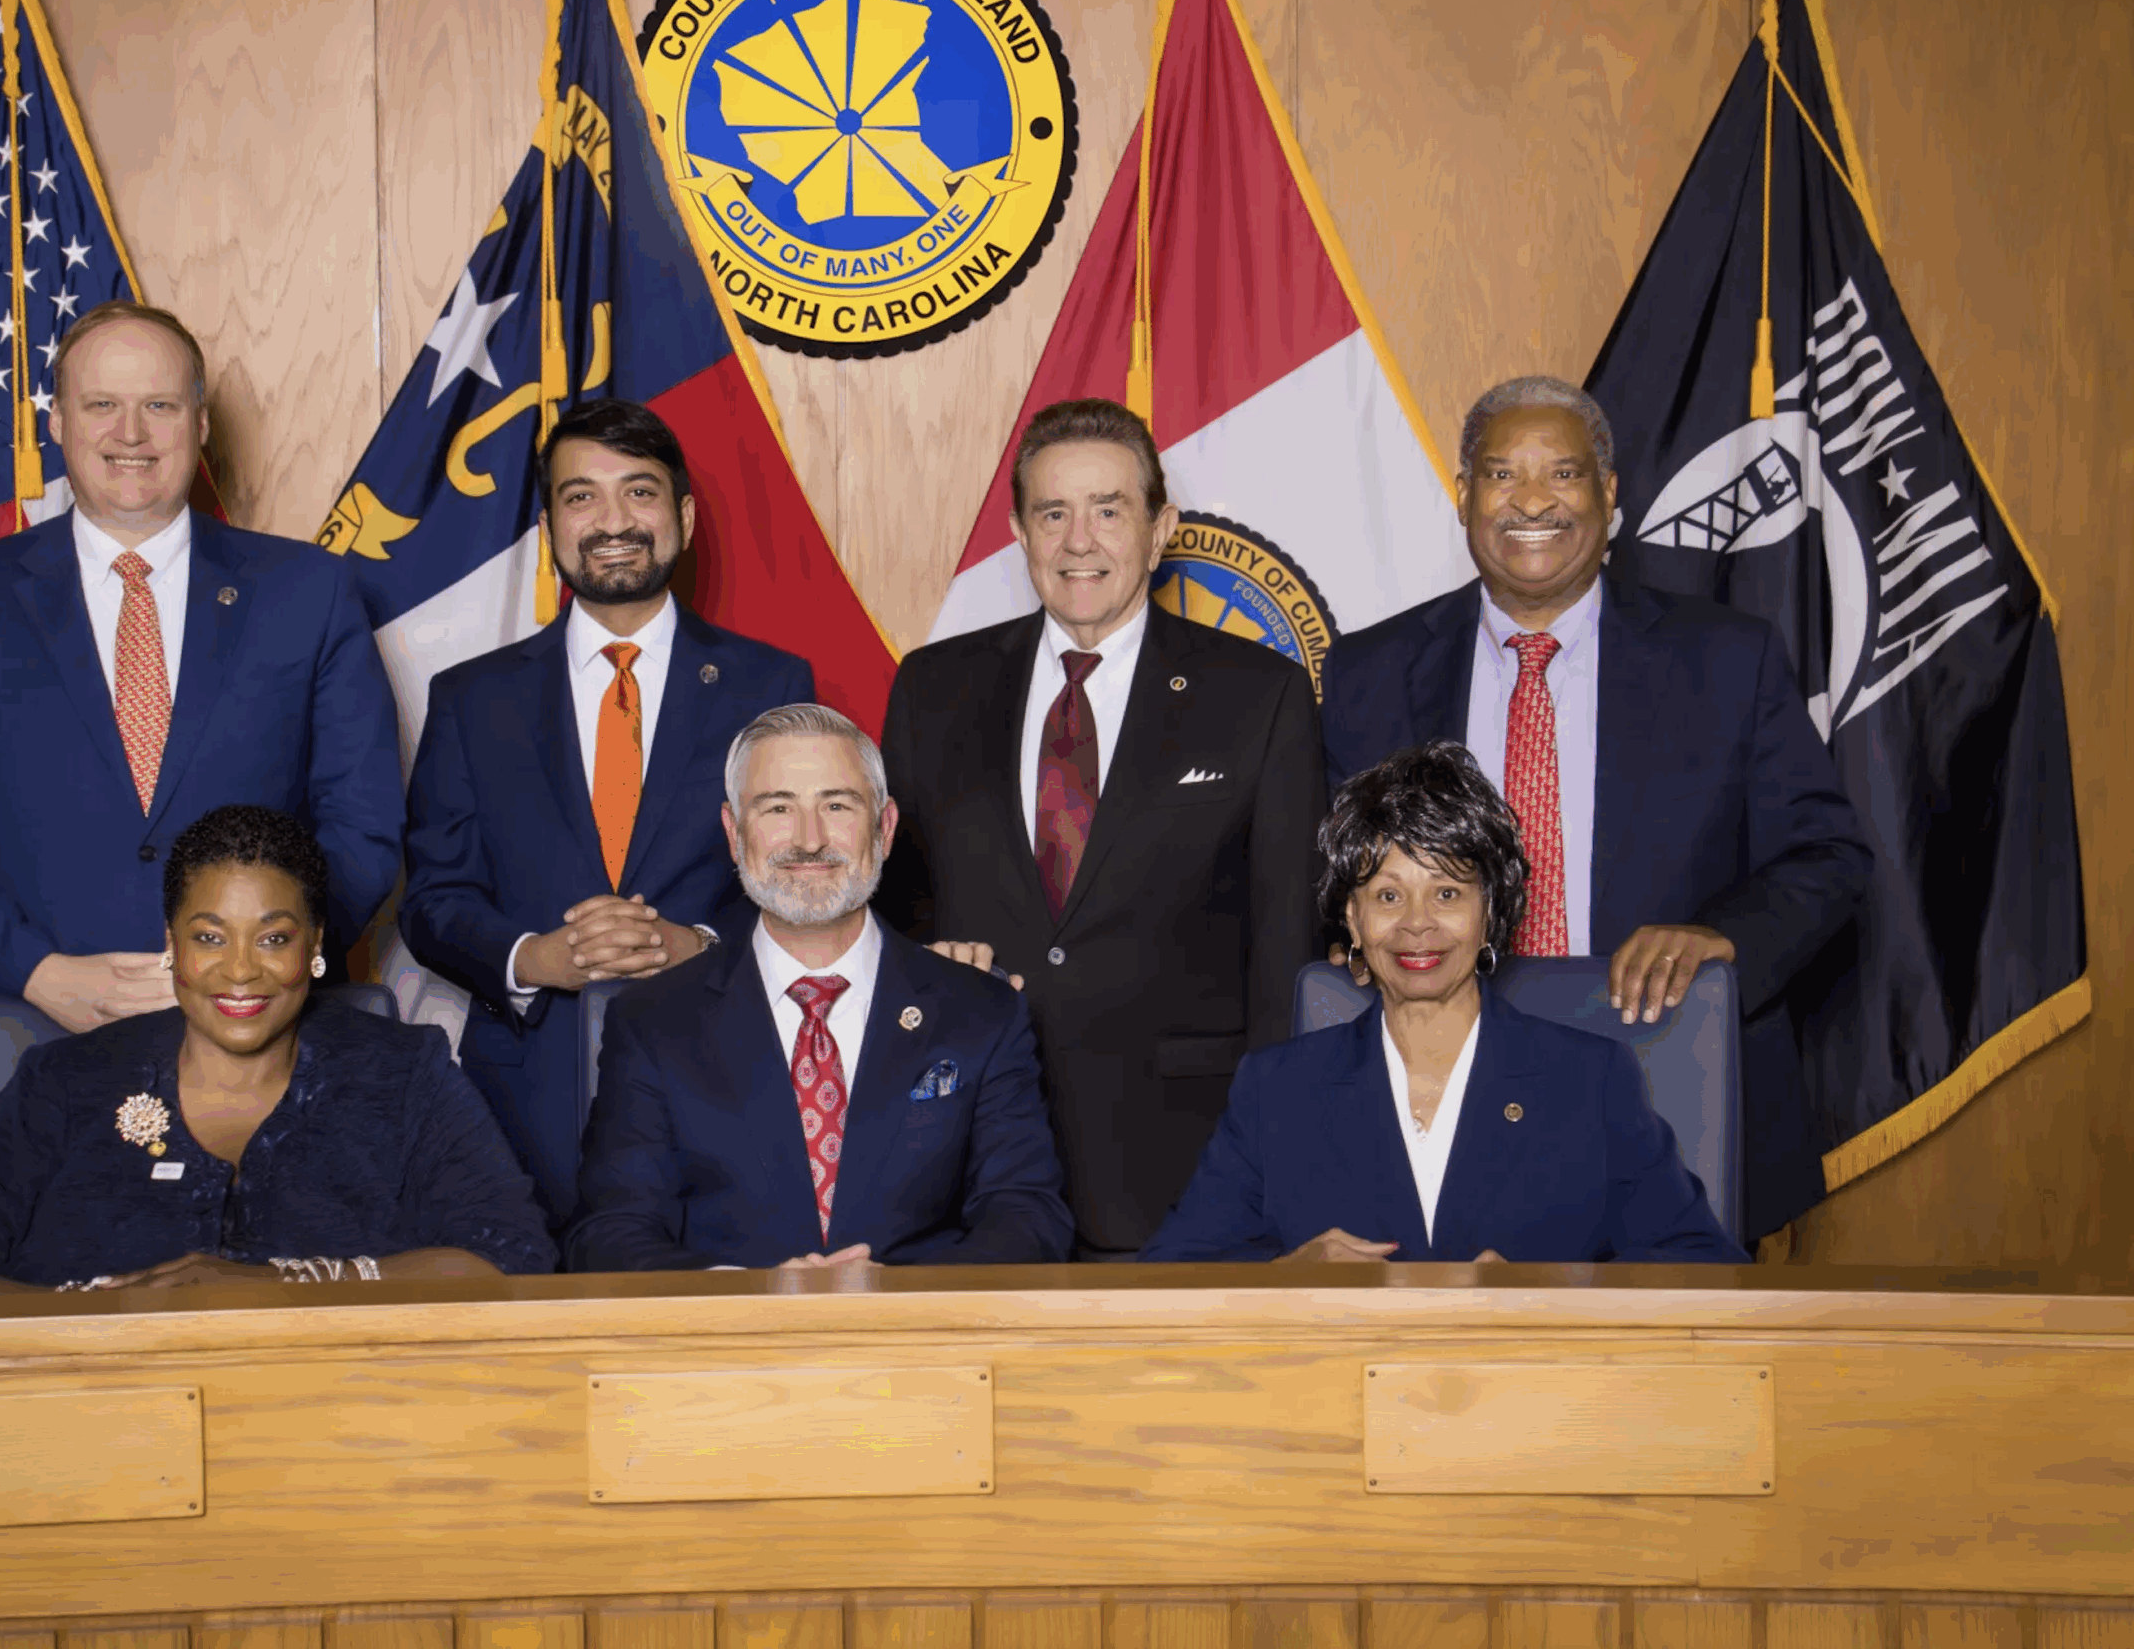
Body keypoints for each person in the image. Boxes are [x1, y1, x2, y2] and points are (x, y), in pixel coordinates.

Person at [1320, 376, 1872, 1243]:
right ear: (1463, 496)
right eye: (1502, 474)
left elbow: (1828, 855)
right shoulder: (1369, 672)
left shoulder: (1728, 659)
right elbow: (1327, 874)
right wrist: (1350, 934)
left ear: (1609, 496)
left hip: (1672, 1095)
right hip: (1432, 1111)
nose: (1532, 500)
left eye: (1564, 474)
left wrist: (1723, 937)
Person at [0, 303, 405, 1163]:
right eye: (102, 405)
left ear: (200, 422)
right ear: (57, 423)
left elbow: (363, 829)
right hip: (26, 1053)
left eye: (158, 405)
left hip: (264, 1069)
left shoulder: (310, 593)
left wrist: (247, 969)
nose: (131, 434)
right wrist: (39, 973)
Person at [878, 399, 1326, 1257]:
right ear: (1020, 534)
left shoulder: (1258, 696)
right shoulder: (932, 689)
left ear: (1161, 531)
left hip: (1185, 1172)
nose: (1078, 541)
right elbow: (897, 926)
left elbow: (1285, 955)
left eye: (1109, 510)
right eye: (1053, 513)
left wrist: (1269, 1171)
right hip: (967, 1172)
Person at [400, 399, 816, 1226]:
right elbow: (433, 900)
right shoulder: (471, 699)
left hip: (724, 1090)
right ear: (548, 527)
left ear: (683, 518)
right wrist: (533, 957)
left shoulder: (771, 686)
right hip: (520, 1112)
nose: (613, 521)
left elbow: (811, 882)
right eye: (581, 496)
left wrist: (698, 946)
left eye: (640, 492)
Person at [0, 805, 555, 1294]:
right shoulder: (66, 1080)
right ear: (172, 944)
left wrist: (278, 1287)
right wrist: (89, 1318)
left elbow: (514, 1260)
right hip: (90, 1420)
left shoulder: (404, 1073)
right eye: (210, 937)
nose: (240, 970)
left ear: (315, 947)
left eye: (274, 938)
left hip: (340, 1425)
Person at [1143, 743, 1745, 1266]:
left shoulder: (1591, 1080)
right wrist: (1289, 1277)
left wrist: (1551, 1293)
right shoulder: (1275, 1089)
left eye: (1448, 893)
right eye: (1388, 896)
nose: (1417, 924)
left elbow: (1702, 1264)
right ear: (1353, 919)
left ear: (1490, 912)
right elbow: (1169, 1278)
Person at [569, 705, 1073, 1273]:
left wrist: (903, 1297)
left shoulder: (982, 1011)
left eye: (836, 805)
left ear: (884, 828)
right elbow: (609, 1233)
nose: (809, 841)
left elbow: (1029, 1217)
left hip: (923, 1328)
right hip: (727, 1329)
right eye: (777, 807)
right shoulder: (651, 1021)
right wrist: (747, 1298)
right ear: (734, 833)